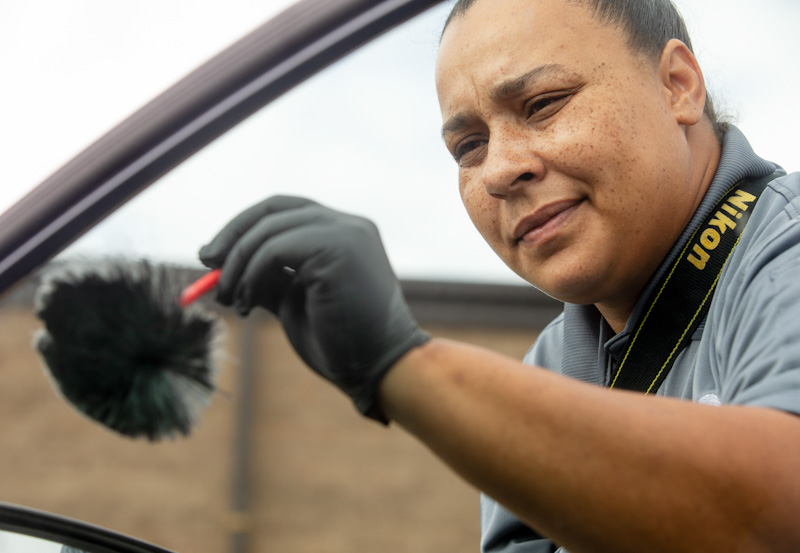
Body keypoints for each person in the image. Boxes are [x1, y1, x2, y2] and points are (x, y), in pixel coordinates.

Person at [198, 0, 800, 551]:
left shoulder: (784, 248)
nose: (499, 171)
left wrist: (404, 365)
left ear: (678, 85)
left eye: (543, 104)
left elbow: (771, 520)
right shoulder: (547, 368)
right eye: (468, 147)